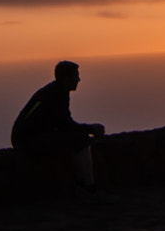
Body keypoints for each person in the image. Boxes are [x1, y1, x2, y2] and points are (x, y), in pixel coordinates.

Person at [11, 60, 105, 188]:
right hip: (27, 140)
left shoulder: (58, 91)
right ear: (67, 77)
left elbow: (63, 124)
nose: (79, 79)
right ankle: (89, 188)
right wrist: (91, 129)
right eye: (76, 76)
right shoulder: (55, 94)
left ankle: (78, 185)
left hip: (29, 137)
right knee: (81, 140)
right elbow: (66, 125)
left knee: (72, 141)